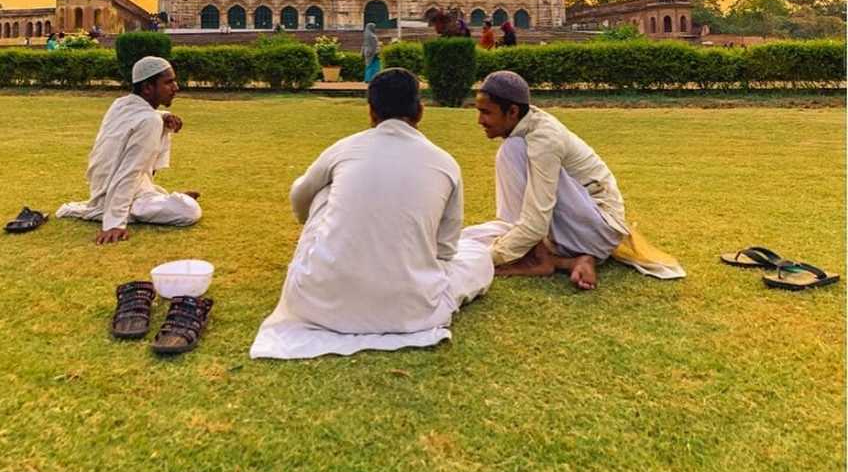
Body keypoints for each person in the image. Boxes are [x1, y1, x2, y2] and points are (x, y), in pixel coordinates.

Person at [251, 68, 494, 359]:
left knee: (322, 190)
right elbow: (445, 249)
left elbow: (299, 197)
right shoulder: (445, 163)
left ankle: (332, 263)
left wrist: (316, 228)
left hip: (319, 303)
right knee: (478, 257)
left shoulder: (346, 148)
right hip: (410, 309)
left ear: (372, 111)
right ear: (420, 110)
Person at [463, 71, 684, 290]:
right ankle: (567, 261)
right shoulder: (527, 128)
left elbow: (536, 223)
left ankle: (538, 259)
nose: (480, 121)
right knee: (466, 240)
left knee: (512, 151)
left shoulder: (543, 140)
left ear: (512, 111)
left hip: (596, 231)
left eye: (486, 112)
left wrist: (489, 259)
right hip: (582, 232)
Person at [55, 56, 202, 244]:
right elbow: (129, 171)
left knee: (163, 132)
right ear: (148, 88)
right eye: (168, 82)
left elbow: (138, 117)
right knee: (189, 211)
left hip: (104, 187)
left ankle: (161, 200)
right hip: (115, 192)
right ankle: (163, 203)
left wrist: (164, 117)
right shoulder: (149, 120)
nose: (176, 87)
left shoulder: (120, 104)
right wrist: (114, 223)